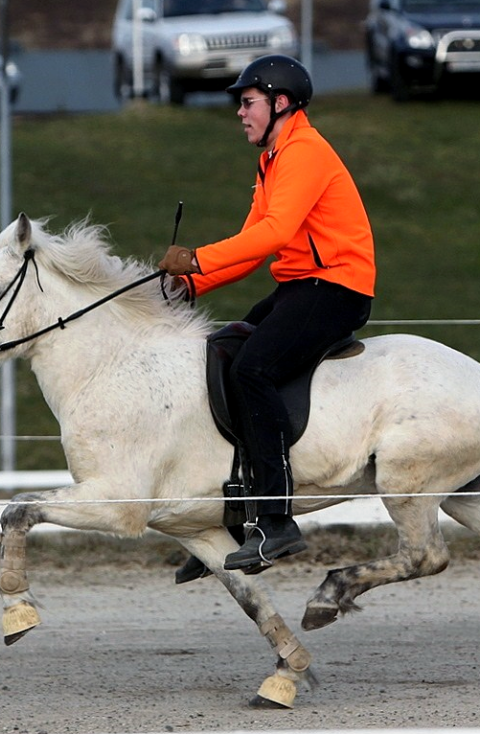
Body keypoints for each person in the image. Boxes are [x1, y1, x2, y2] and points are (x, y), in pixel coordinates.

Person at [159, 55, 376, 575]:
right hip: (302, 286)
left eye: (248, 101)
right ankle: (238, 521)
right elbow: (253, 248)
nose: (240, 112)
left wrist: (197, 258)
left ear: (280, 103)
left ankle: (277, 523)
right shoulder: (274, 158)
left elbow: (275, 233)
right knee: (223, 351)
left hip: (336, 288)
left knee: (254, 369)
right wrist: (191, 282)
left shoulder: (304, 152)